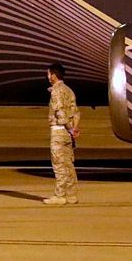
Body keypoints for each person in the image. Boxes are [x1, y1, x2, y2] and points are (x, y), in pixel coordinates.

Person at [43, 62, 80, 205]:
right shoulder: (69, 91)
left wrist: (69, 128)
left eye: (48, 74)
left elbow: (60, 113)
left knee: (59, 165)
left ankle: (60, 195)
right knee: (68, 165)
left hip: (59, 131)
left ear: (53, 75)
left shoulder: (56, 92)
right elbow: (76, 112)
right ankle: (71, 195)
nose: (47, 76)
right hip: (67, 133)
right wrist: (74, 129)